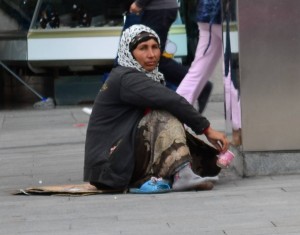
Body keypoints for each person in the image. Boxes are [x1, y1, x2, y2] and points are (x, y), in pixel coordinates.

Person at [84, 24, 230, 192]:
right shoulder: (126, 77)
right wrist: (207, 129)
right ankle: (182, 174)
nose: (151, 54)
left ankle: (180, 172)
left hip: (116, 162)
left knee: (201, 156)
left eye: (155, 47)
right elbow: (172, 100)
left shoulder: (139, 76)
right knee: (162, 114)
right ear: (129, 53)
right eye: (143, 48)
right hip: (109, 167)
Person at [176, 0, 242, 145]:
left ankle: (176, 119)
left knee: (197, 72)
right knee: (231, 72)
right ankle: (239, 127)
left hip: (207, 13)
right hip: (226, 14)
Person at [129, 0, 213, 113]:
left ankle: (199, 86)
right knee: (151, 60)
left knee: (152, 59)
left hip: (157, 10)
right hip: (157, 10)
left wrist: (139, 3)